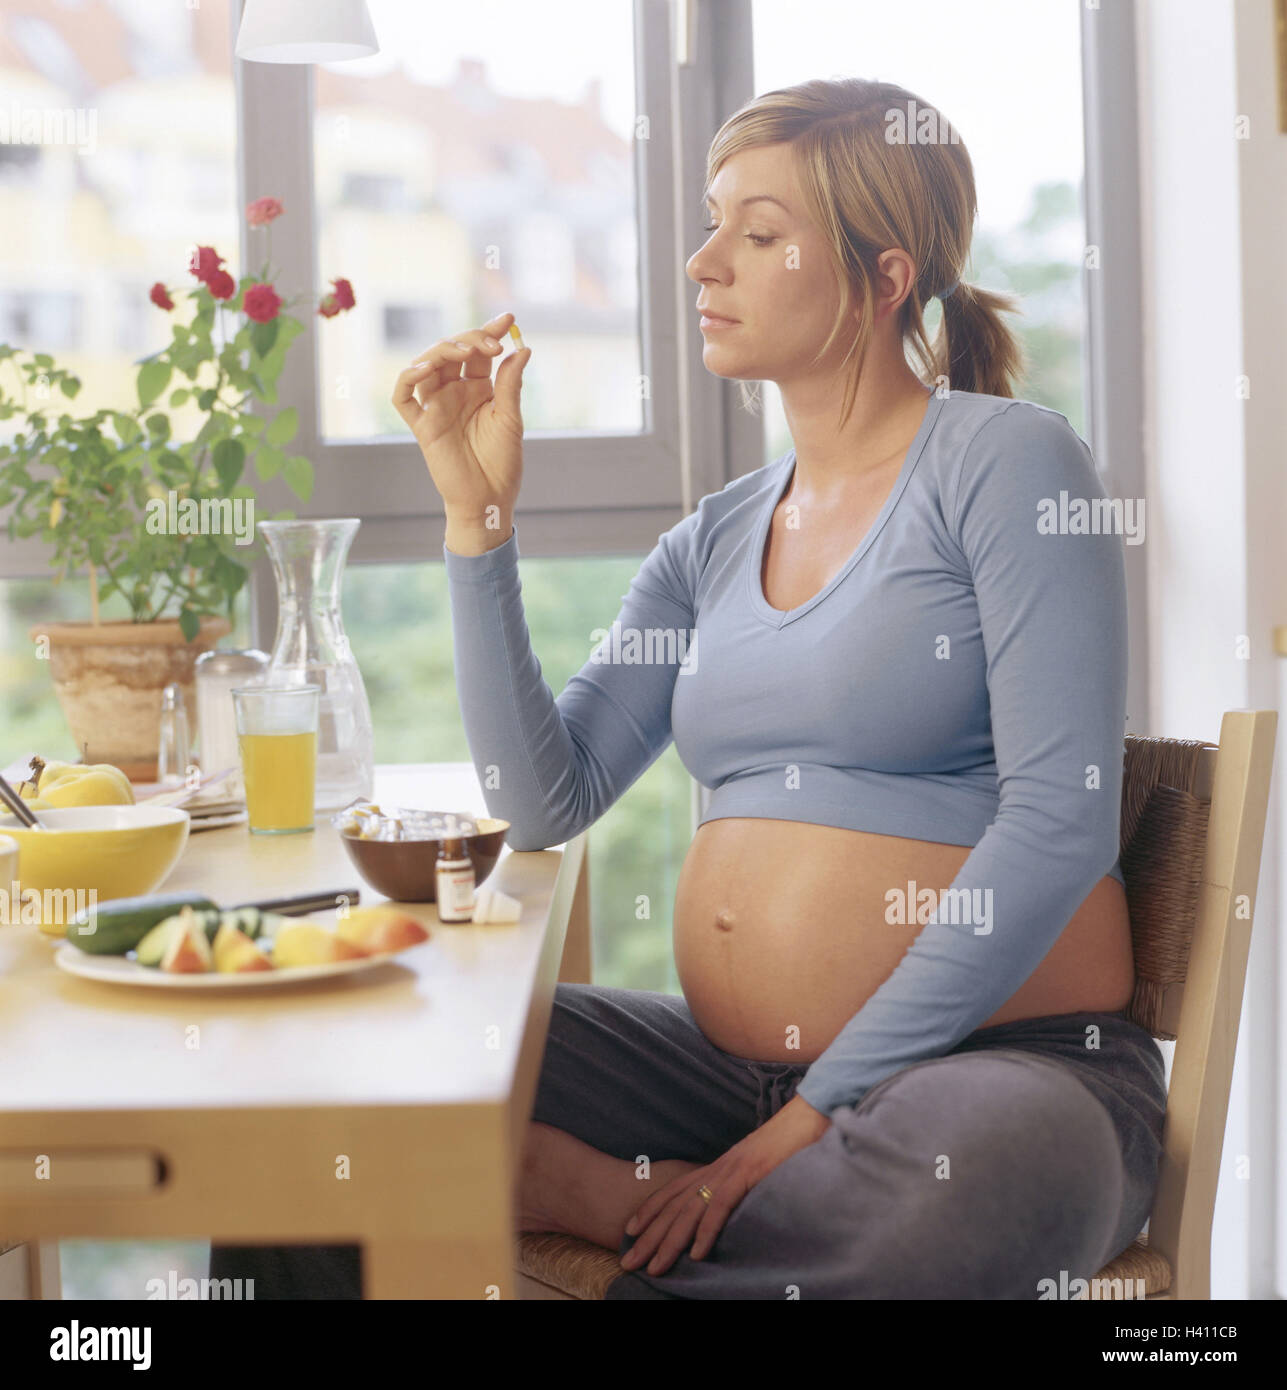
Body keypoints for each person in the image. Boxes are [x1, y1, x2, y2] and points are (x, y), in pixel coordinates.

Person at [209, 76, 1165, 1300]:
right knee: (325, 1063)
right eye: (715, 224)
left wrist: (815, 1111)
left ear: (884, 276)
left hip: (1000, 1067)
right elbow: (547, 796)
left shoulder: (1012, 463)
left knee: (982, 1181)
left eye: (760, 235)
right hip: (722, 1077)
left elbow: (1058, 819)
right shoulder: (711, 538)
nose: (705, 262)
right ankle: (643, 1203)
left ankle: (603, 1199)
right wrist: (477, 518)